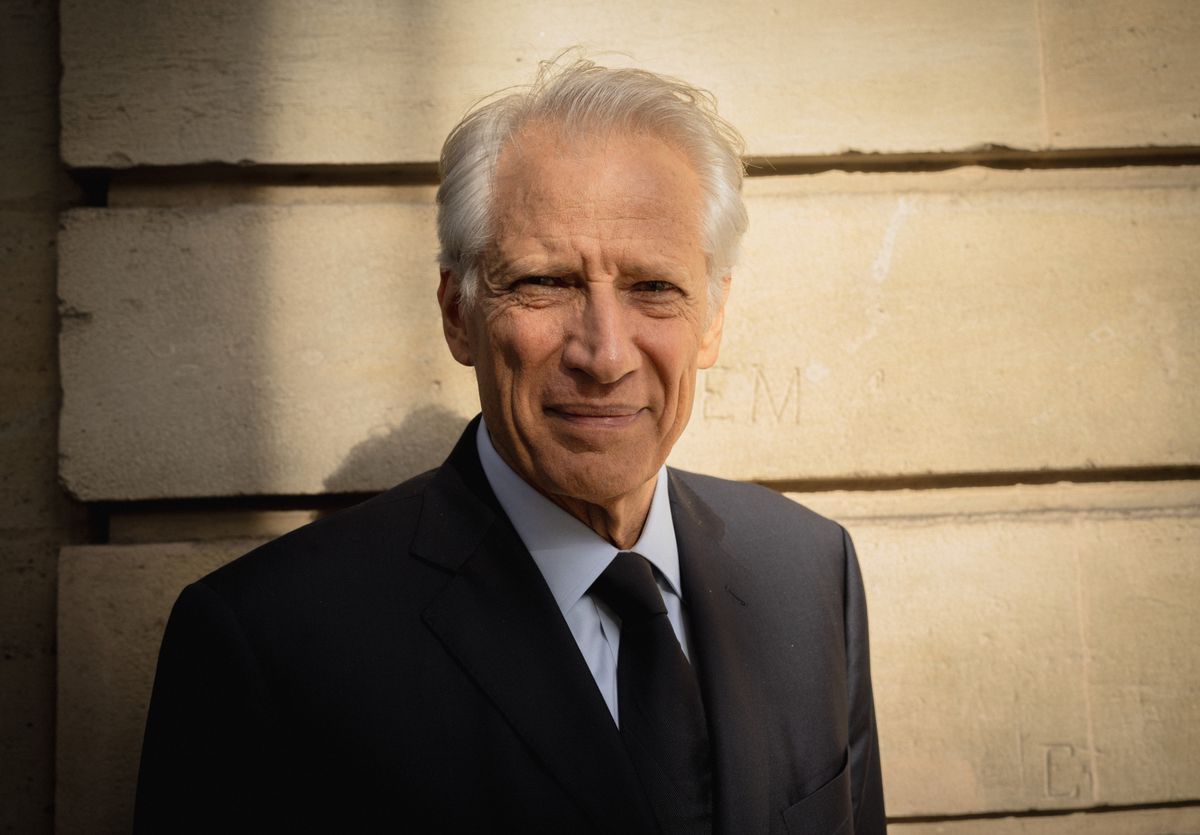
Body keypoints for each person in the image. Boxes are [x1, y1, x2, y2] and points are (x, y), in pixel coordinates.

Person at [134, 57, 885, 834]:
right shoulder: (267, 642)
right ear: (458, 314)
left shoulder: (810, 571)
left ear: (714, 317)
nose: (606, 355)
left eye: (653, 288)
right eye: (545, 283)